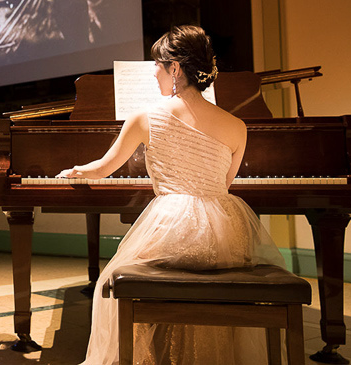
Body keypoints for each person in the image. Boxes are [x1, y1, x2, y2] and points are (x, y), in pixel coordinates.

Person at [57, 25, 285, 365]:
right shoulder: (238, 126)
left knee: (109, 281)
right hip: (228, 231)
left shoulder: (145, 117)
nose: (153, 71)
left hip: (171, 226)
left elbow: (104, 168)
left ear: (175, 68)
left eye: (157, 64)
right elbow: (224, 185)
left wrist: (76, 171)